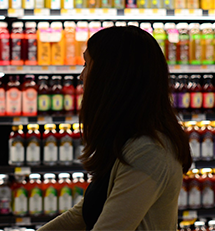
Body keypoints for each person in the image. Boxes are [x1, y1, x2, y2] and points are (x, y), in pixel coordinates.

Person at [38, 26, 192, 231]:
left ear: (111, 77)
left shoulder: (149, 151)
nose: (82, 76)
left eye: (87, 64)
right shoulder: (127, 139)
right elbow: (83, 214)